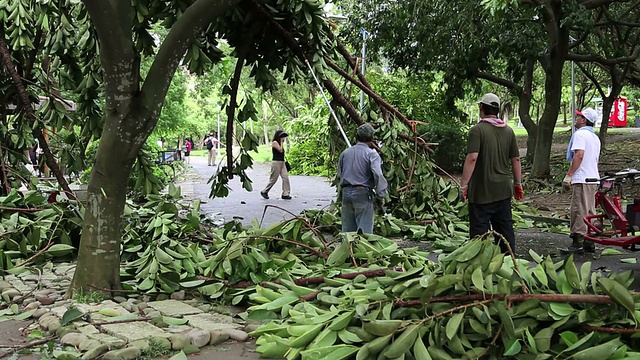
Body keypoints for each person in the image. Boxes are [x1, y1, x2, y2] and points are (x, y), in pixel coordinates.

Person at [460, 93, 522, 253]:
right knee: (505, 231)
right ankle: (509, 262)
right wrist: (517, 183)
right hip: (503, 190)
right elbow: (516, 159)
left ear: (482, 108)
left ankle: (479, 266)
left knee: (479, 235)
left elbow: (472, 158)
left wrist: (464, 185)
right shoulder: (508, 131)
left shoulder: (477, 130)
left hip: (482, 192)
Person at [561, 107, 601, 254]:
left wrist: (569, 175)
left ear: (584, 120)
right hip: (593, 177)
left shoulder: (580, 134)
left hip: (582, 177)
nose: (576, 119)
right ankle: (589, 242)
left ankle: (577, 242)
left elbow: (579, 155)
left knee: (578, 210)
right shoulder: (595, 137)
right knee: (590, 210)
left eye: (579, 117)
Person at [337, 123, 388, 234]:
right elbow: (378, 174)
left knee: (348, 232)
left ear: (356, 137)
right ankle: (362, 250)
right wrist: (380, 194)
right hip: (362, 193)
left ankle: (348, 250)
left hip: (346, 192)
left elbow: (339, 174)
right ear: (371, 139)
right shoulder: (372, 154)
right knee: (364, 233)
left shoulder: (345, 153)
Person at [261, 130, 291, 200]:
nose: (283, 138)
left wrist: (282, 142)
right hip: (276, 162)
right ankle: (264, 191)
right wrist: (281, 141)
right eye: (281, 136)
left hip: (282, 162)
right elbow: (280, 150)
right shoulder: (275, 142)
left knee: (285, 177)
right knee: (273, 179)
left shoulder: (281, 143)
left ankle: (285, 193)